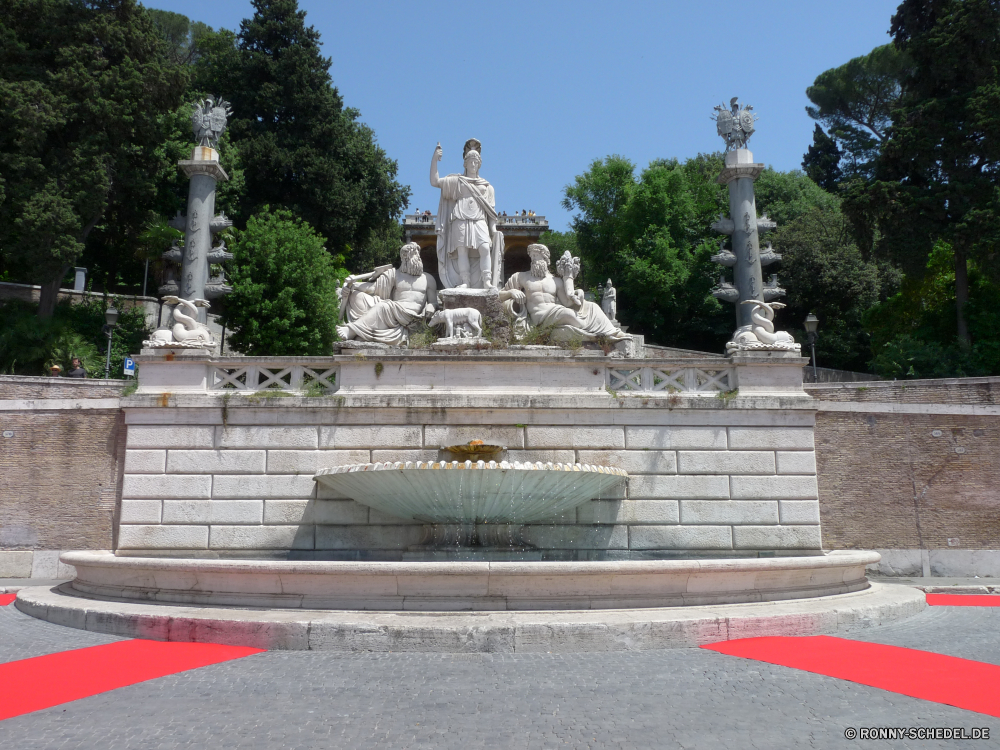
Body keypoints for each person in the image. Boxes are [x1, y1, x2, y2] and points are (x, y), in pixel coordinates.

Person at [499, 244, 631, 344]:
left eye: (537, 256)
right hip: (539, 317)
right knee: (567, 313)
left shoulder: (556, 281)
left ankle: (612, 333)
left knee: (592, 307)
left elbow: (567, 302)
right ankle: (600, 334)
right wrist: (511, 292)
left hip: (556, 311)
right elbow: (498, 296)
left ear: (545, 258)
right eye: (532, 256)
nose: (533, 259)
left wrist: (578, 293)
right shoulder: (521, 277)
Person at [430, 139, 502, 289]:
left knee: (484, 248)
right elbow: (435, 181)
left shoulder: (487, 186)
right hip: (460, 218)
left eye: (476, 162)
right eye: (470, 161)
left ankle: (487, 281)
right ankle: (465, 281)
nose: (473, 164)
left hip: (479, 219)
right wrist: (435, 159)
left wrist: (493, 230)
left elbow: (491, 212)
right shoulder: (457, 181)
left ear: (480, 164)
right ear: (465, 163)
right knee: (462, 251)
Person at [336, 242, 438, 346]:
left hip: (412, 317)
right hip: (394, 312)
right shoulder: (395, 274)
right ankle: (362, 333)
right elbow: (373, 288)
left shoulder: (428, 279)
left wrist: (431, 307)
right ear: (402, 258)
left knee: (383, 306)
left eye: (413, 255)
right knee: (357, 296)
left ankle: (351, 331)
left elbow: (434, 302)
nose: (408, 259)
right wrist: (354, 285)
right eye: (405, 256)